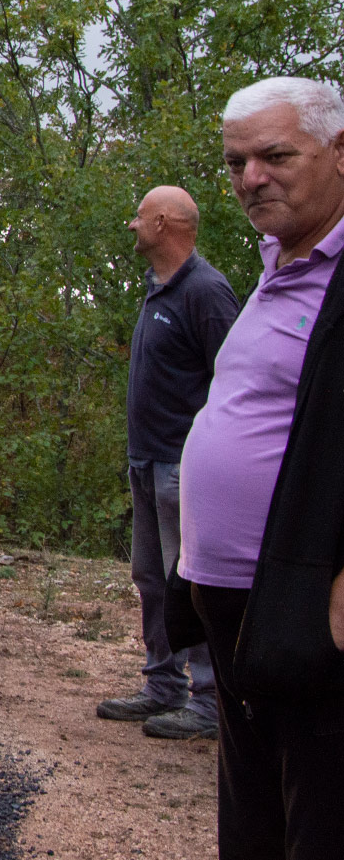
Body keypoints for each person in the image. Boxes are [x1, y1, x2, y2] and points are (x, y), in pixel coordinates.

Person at [173, 76, 344, 858]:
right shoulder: (279, 263)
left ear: (339, 152)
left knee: (319, 806)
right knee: (250, 814)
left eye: (275, 155)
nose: (251, 178)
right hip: (233, 597)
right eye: (237, 161)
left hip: (306, 602)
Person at [97, 186, 237, 740]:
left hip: (183, 465)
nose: (131, 226)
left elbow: (234, 381)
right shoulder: (158, 289)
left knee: (191, 585)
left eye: (138, 217)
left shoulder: (206, 291)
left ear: (162, 222)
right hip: (147, 460)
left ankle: (208, 700)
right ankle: (162, 686)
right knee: (152, 579)